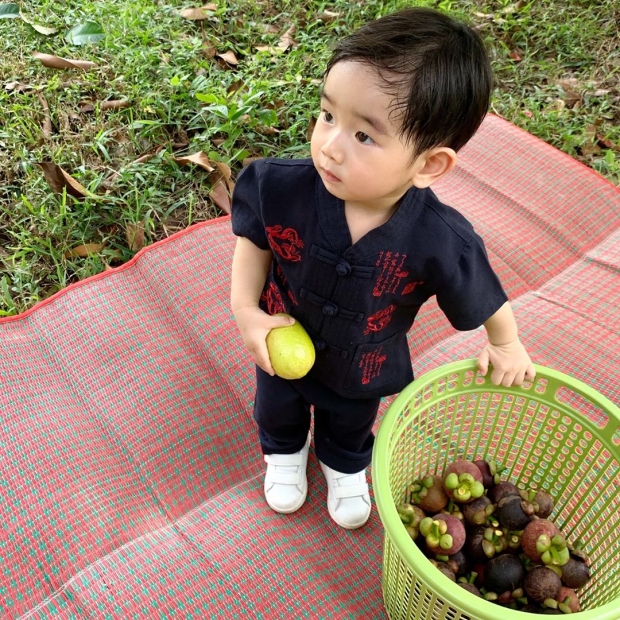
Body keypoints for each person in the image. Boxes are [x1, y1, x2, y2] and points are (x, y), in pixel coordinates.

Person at [230, 7, 535, 530]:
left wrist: (505, 343)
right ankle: (283, 453)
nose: (330, 145)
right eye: (328, 116)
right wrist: (245, 310)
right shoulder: (281, 187)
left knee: (351, 420)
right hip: (285, 332)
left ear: (428, 165)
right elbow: (256, 242)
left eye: (364, 136)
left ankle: (344, 463)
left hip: (363, 362)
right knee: (276, 404)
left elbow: (482, 290)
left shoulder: (439, 238)